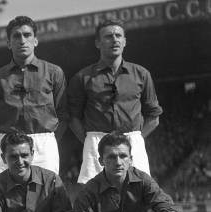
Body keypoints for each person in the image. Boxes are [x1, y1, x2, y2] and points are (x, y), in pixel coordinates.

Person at [68, 19, 163, 185]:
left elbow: (154, 116)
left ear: (125, 41)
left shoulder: (141, 74)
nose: (115, 40)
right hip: (96, 141)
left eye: (119, 35)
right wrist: (92, 141)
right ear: (98, 43)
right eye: (108, 36)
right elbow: (73, 118)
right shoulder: (82, 77)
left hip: (132, 140)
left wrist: (136, 139)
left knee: (137, 192)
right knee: (95, 195)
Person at [0, 16, 67, 183]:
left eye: (27, 35)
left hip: (43, 142)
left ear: (35, 40)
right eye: (16, 36)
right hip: (7, 142)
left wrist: (48, 139)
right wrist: (6, 139)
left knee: (46, 195)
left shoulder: (53, 72)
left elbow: (63, 113)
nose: (22, 40)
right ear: (8, 43)